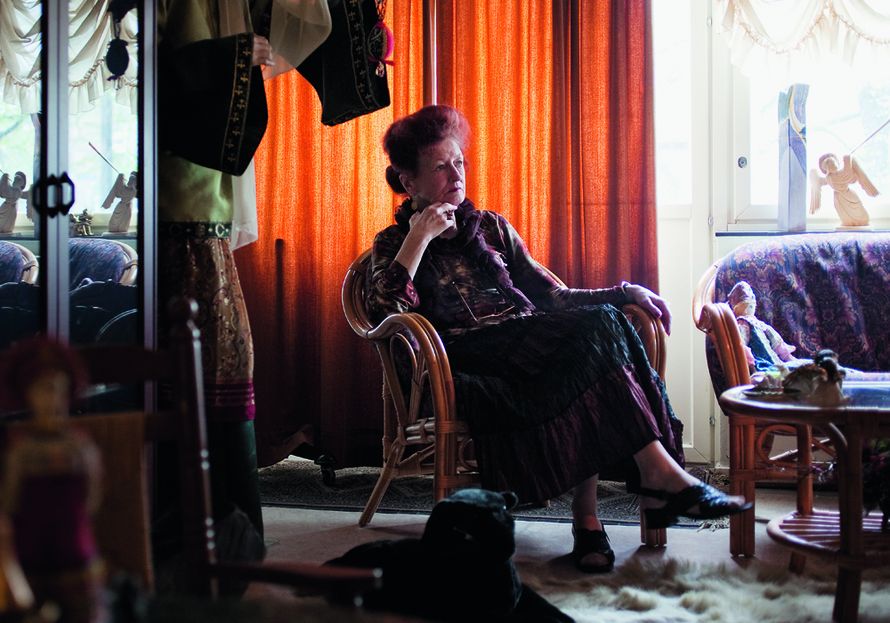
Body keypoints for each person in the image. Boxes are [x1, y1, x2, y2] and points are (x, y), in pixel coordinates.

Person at [367, 105, 751, 574]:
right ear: (409, 182)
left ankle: (601, 512)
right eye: (440, 167)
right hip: (462, 360)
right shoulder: (392, 244)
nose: (456, 174)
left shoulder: (491, 227)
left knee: (595, 345)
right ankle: (637, 490)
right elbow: (385, 313)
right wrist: (419, 238)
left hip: (526, 347)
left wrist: (624, 291)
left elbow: (553, 296)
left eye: (460, 161)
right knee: (595, 336)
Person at [155, 0, 273, 561]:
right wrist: (237, 54)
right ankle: (203, 529)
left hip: (204, 215)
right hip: (177, 214)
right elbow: (160, 77)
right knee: (205, 365)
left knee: (228, 360)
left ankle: (230, 529)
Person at [0, 337, 104, 622]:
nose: (52, 398)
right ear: (27, 395)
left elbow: (91, 497)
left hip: (74, 551)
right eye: (44, 390)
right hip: (29, 554)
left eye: (59, 389)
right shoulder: (20, 449)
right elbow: (9, 500)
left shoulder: (80, 447)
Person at [809, 153, 878, 228]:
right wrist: (847, 160)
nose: (833, 165)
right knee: (845, 217)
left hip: (848, 195)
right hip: (839, 200)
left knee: (861, 214)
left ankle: (861, 221)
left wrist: (847, 160)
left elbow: (848, 174)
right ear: (826, 168)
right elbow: (817, 182)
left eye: (833, 163)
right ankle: (850, 222)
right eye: (830, 164)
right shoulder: (828, 178)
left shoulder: (841, 174)